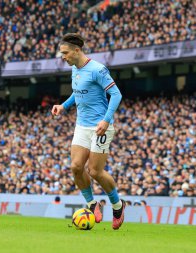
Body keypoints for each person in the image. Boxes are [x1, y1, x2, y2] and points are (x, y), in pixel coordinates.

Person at [51, 33, 125, 230]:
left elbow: (116, 94)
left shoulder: (97, 69)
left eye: (65, 53)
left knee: (95, 171)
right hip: (82, 125)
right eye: (62, 53)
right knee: (76, 167)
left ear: (77, 50)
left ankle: (118, 206)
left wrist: (106, 120)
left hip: (100, 127)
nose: (63, 57)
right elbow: (78, 93)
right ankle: (93, 205)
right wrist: (64, 106)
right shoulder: (75, 69)